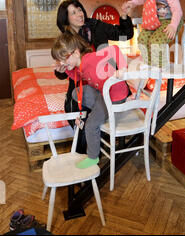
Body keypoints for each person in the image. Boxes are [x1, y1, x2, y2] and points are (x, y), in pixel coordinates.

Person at [55, 0, 134, 153]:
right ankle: (85, 152)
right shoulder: (66, 40)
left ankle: (94, 150)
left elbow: (124, 36)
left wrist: (124, 16)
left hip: (105, 83)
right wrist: (60, 68)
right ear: (66, 20)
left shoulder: (97, 26)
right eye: (73, 12)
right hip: (81, 84)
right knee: (76, 112)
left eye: (79, 9)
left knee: (93, 117)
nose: (80, 14)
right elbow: (64, 74)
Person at [51, 29, 129, 169]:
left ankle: (93, 157)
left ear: (75, 52)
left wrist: (122, 69)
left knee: (91, 125)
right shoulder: (80, 65)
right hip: (103, 93)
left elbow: (115, 50)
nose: (62, 62)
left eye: (64, 59)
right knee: (76, 93)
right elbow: (78, 78)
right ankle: (102, 113)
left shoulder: (91, 58)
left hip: (114, 95)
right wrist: (66, 69)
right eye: (60, 60)